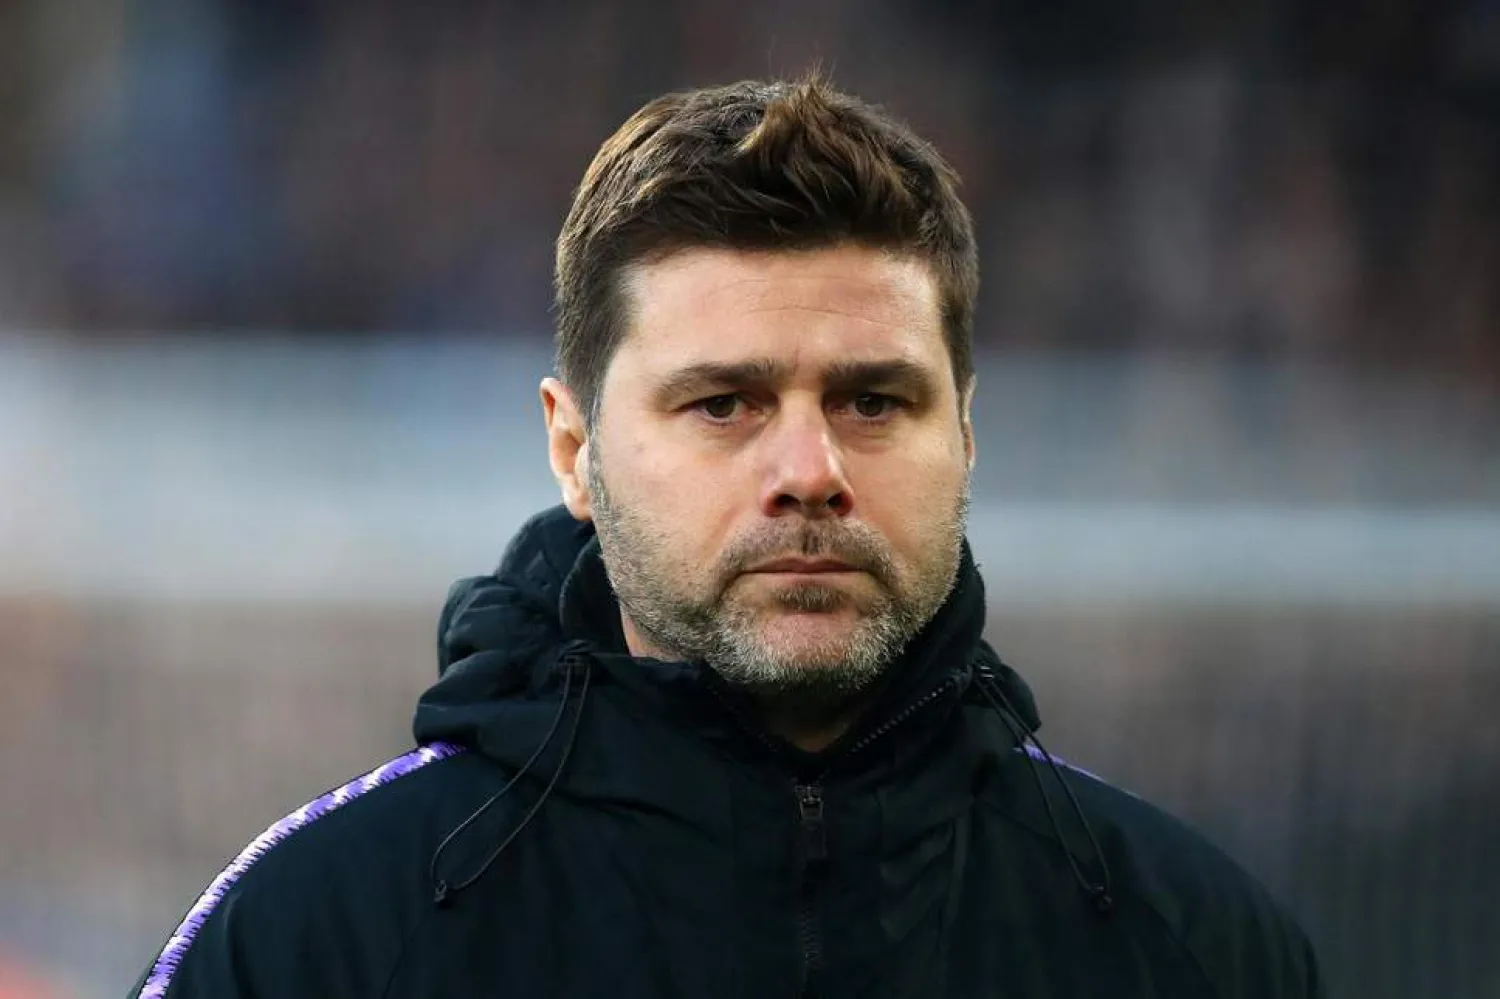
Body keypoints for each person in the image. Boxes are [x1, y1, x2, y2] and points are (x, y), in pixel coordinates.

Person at [131, 75, 1322, 998]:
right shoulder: (318, 941)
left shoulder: (1196, 946)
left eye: (873, 401)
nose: (809, 472)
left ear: (966, 431)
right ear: (574, 449)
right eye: (723, 404)